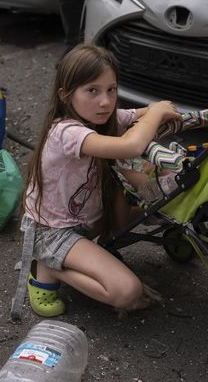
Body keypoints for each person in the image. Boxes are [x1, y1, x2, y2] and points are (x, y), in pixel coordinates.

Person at [10, 44, 181, 319]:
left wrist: (157, 110)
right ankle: (50, 268)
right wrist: (158, 112)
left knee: (144, 193)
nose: (105, 101)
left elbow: (136, 115)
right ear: (66, 96)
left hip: (86, 220)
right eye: (92, 90)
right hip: (52, 232)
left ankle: (156, 213)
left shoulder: (101, 117)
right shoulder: (66, 132)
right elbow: (131, 146)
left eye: (111, 89)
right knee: (127, 292)